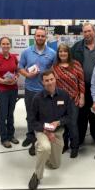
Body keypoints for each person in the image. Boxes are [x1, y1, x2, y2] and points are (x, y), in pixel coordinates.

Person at [28, 69, 72, 190]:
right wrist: (47, 132)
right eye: (46, 80)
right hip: (42, 130)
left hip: (57, 131)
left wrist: (58, 122)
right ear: (42, 83)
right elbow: (32, 120)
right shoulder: (37, 98)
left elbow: (70, 116)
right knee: (46, 148)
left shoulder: (64, 95)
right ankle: (37, 175)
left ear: (55, 79)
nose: (50, 82)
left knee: (55, 165)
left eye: (51, 79)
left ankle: (40, 148)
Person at [19, 27, 56, 156]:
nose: (40, 38)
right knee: (31, 115)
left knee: (44, 116)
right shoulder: (26, 52)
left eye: (42, 36)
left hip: (45, 91)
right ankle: (31, 137)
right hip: (30, 90)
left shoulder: (52, 53)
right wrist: (27, 75)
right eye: (38, 36)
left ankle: (40, 140)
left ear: (46, 38)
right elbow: (20, 68)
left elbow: (54, 70)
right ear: (34, 37)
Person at [71, 23, 95, 145]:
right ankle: (80, 137)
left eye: (89, 31)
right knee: (81, 114)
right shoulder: (76, 47)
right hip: (81, 87)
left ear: (94, 31)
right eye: (84, 32)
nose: (87, 34)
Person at [52, 44, 85, 158]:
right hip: (59, 101)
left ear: (68, 53)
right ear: (58, 53)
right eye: (60, 51)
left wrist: (82, 97)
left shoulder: (76, 65)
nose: (62, 53)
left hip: (73, 99)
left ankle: (74, 147)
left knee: (72, 124)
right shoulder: (55, 67)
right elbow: (53, 84)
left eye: (65, 51)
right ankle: (64, 145)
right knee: (62, 124)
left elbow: (81, 82)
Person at [0, 37, 19, 148]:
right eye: (3, 44)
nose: (6, 45)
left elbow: (17, 71)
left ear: (10, 45)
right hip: (3, 91)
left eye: (7, 43)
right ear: (0, 45)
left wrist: (16, 78)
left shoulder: (14, 57)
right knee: (3, 115)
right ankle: (4, 138)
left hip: (13, 90)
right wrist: (5, 82)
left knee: (10, 114)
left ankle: (11, 135)